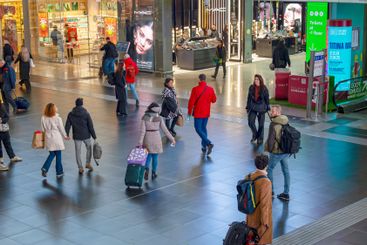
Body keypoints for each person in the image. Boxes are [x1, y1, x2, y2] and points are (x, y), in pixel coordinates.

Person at [138, 102, 175, 180]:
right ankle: (154, 173)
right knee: (155, 157)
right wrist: (172, 139)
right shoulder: (159, 118)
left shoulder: (145, 117)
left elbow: (142, 131)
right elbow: (165, 130)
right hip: (156, 138)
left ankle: (146, 169)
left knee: (148, 156)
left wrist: (140, 141)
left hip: (147, 138)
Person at [265, 105, 291, 201]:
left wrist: (269, 150)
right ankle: (286, 193)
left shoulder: (274, 124)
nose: (271, 113)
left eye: (273, 111)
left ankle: (271, 191)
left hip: (276, 152)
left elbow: (271, 140)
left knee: (269, 169)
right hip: (286, 150)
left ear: (278, 113)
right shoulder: (286, 120)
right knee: (286, 171)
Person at [65, 98, 97, 174]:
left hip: (77, 136)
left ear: (75, 104)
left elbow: (67, 126)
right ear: (82, 104)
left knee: (77, 152)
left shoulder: (71, 114)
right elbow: (90, 126)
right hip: (86, 135)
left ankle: (80, 168)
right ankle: (88, 163)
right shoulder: (86, 113)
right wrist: (94, 136)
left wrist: (66, 134)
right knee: (89, 148)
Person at [246, 154, 273, 245]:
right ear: (266, 165)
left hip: (250, 214)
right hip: (260, 218)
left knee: (250, 239)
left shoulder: (249, 176)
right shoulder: (266, 182)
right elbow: (265, 204)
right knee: (260, 240)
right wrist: (265, 222)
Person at [188, 74, 217, 155]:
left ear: (199, 80)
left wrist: (189, 113)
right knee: (203, 129)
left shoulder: (195, 89)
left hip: (198, 113)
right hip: (206, 113)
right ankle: (204, 147)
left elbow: (191, 103)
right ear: (205, 79)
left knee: (198, 128)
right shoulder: (210, 89)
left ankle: (208, 143)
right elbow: (214, 100)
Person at [41, 103, 69, 178]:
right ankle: (59, 172)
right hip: (56, 138)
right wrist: (65, 136)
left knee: (52, 154)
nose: (56, 108)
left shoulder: (43, 118)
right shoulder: (57, 118)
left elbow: (43, 129)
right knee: (58, 155)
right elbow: (61, 128)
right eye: (55, 107)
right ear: (53, 109)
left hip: (48, 138)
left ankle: (45, 168)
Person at [246, 74, 270, 145]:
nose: (256, 80)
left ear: (260, 80)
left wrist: (267, 107)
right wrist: (247, 107)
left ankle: (260, 139)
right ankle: (255, 135)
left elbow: (267, 99)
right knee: (250, 122)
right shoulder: (251, 87)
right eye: (255, 79)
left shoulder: (264, 88)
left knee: (261, 125)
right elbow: (249, 98)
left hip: (261, 108)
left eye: (257, 79)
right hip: (253, 107)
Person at [0, 101, 22, 171]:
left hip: (4, 128)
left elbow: (7, 116)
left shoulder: (1, 105)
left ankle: (12, 156)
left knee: (7, 143)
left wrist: (2, 120)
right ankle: (0, 162)